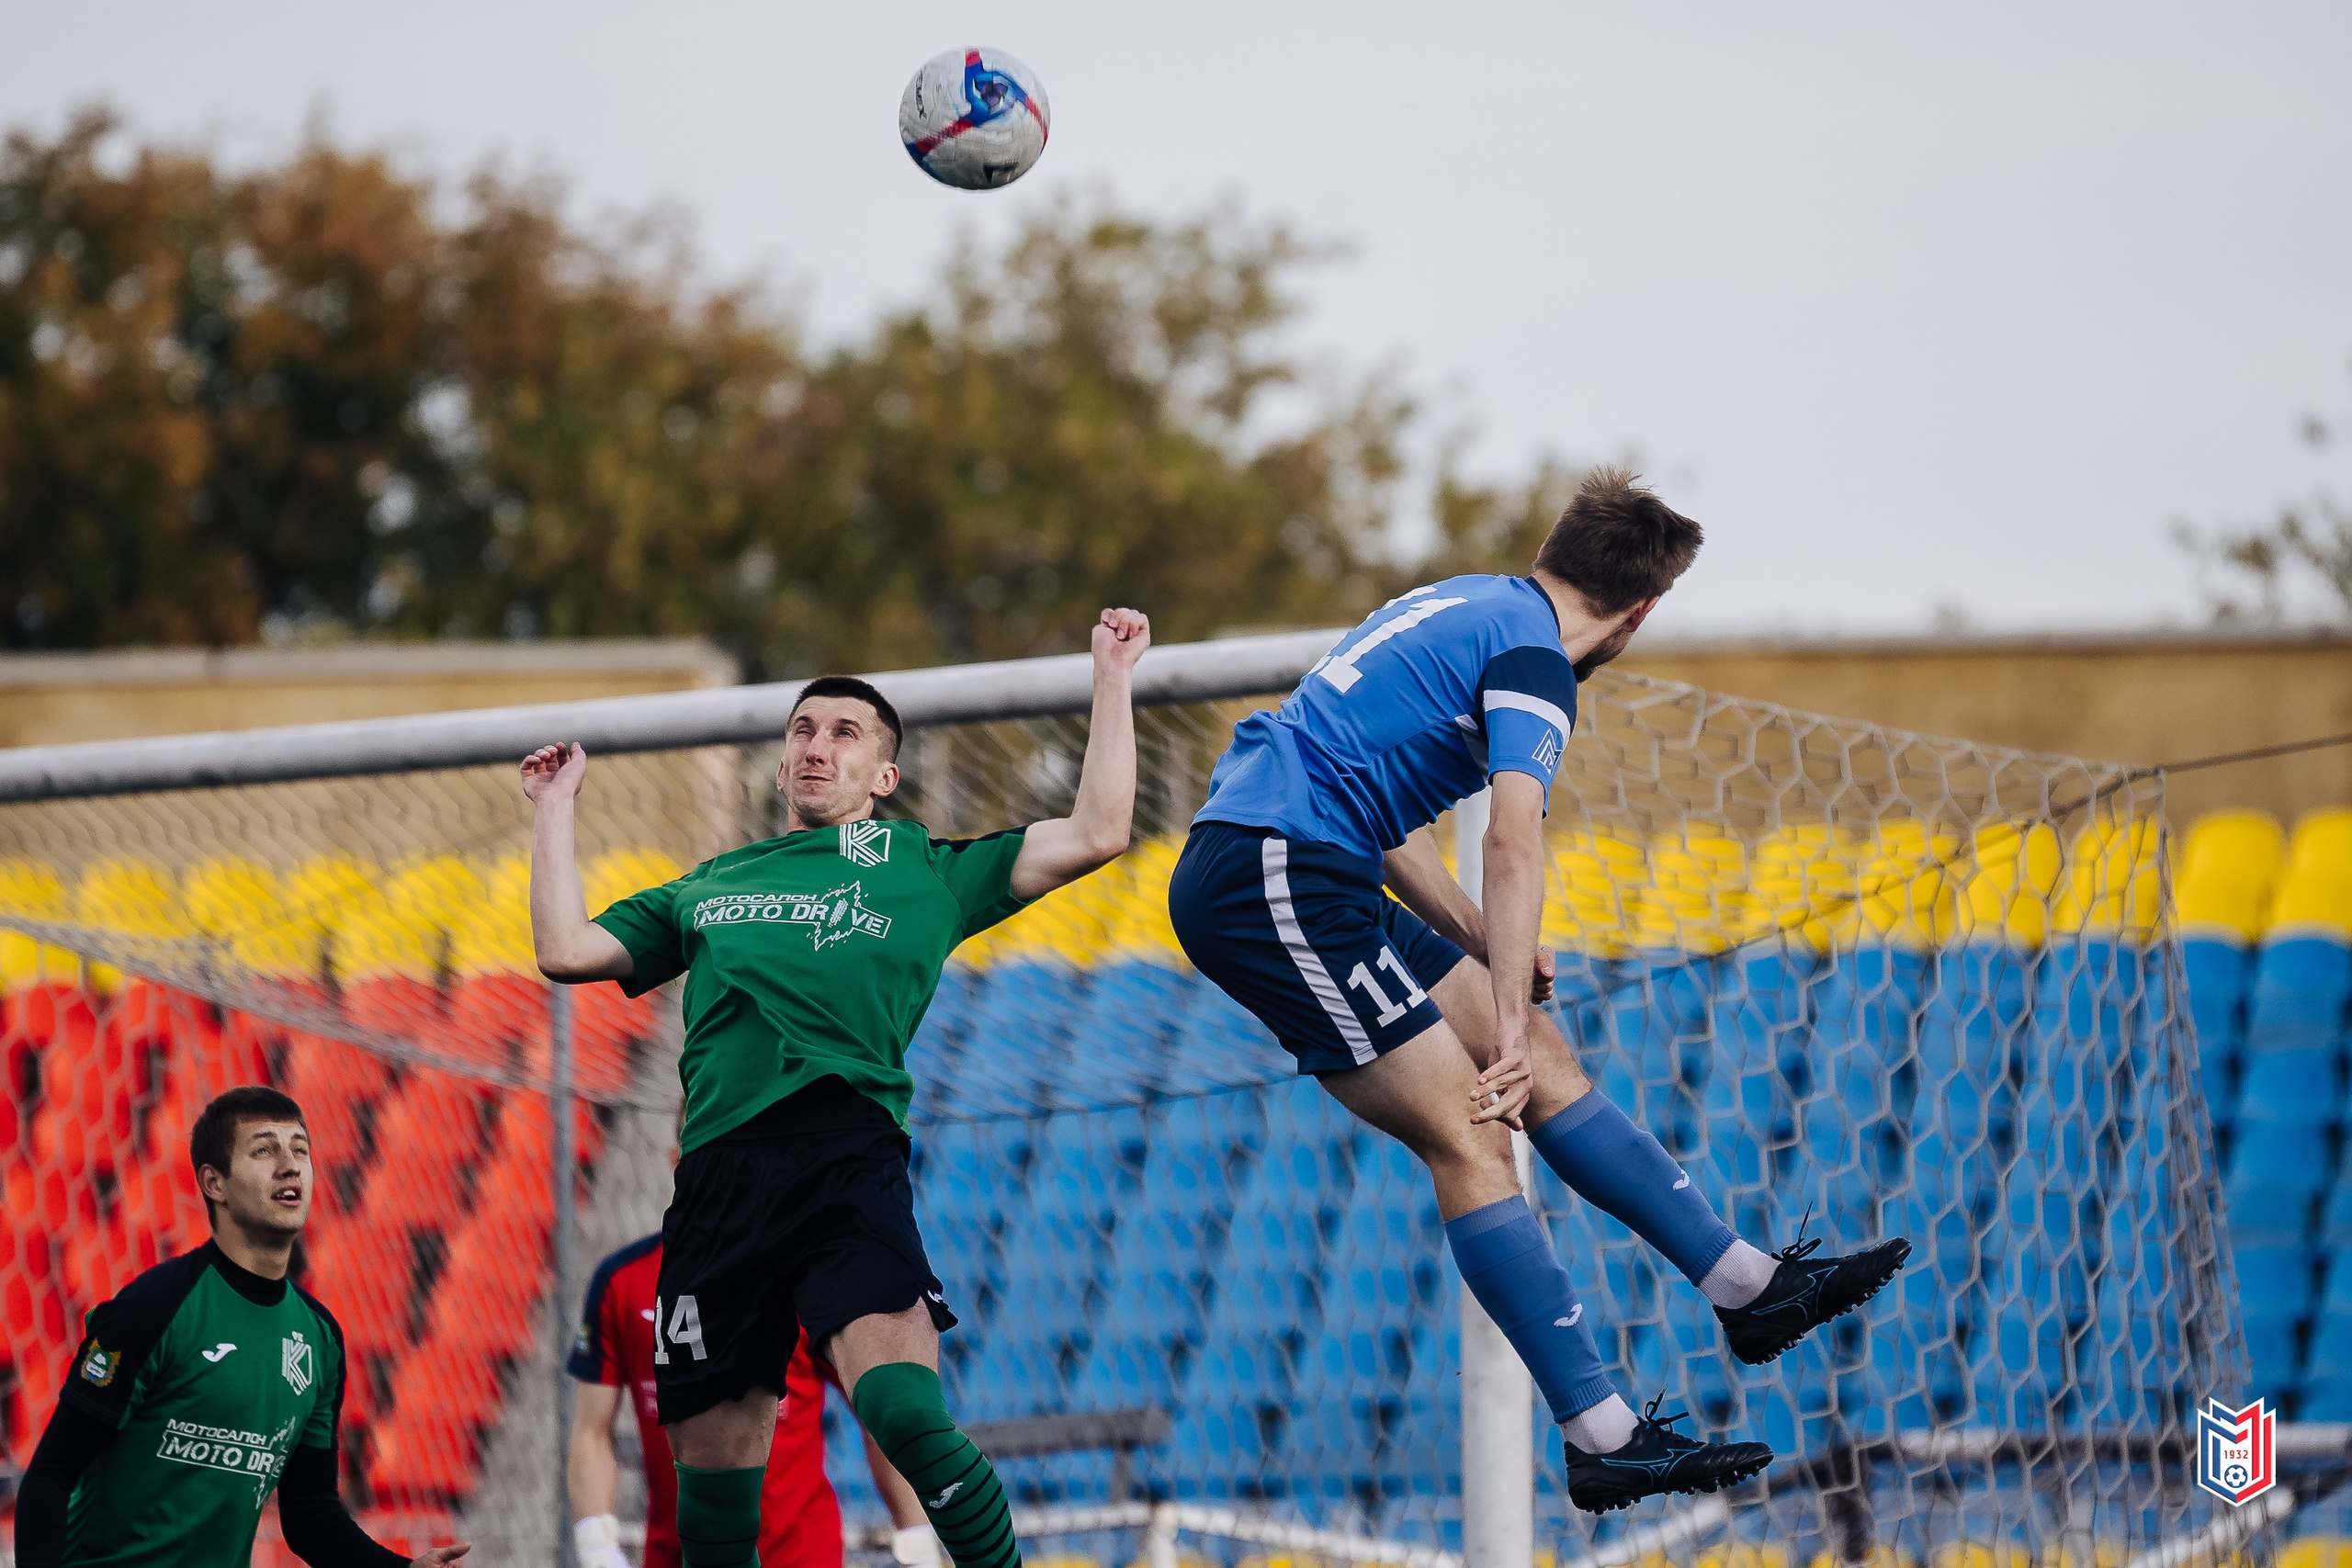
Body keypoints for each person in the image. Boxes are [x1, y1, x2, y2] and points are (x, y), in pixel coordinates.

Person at [1167, 468, 1911, 1513]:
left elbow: (1386, 821)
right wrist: (1504, 1018)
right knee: (1475, 1131)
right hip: (1270, 875)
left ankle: (1747, 1285)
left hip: (1313, 861)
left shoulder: (1461, 601)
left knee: (1547, 1064)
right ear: (1638, 613)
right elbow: (1514, 836)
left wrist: (1482, 953)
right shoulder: (1532, 660)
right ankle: (1602, 1438)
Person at [525, 606, 1151, 1568]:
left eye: (845, 733)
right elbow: (565, 950)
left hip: (841, 1157)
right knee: (716, 1495)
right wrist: (554, 807)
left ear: (883, 777)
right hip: (718, 1184)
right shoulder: (707, 885)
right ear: (781, 765)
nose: (818, 746)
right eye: (803, 730)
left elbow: (1102, 828)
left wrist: (1111, 675)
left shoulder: (925, 870)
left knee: (903, 1408)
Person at [11, 1086, 470, 1567]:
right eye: (265, 1150)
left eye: (300, 1150)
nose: (290, 1165)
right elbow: (50, 1476)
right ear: (215, 1183)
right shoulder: (157, 1307)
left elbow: (309, 1513)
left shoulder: (319, 1336)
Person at [570, 1216, 939, 1568]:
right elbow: (591, 1428)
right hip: (679, 1556)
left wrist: (917, 1540)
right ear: (675, 1163)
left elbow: (880, 1415)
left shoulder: (806, 1279)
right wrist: (596, 1544)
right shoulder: (624, 1281)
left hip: (798, 1556)